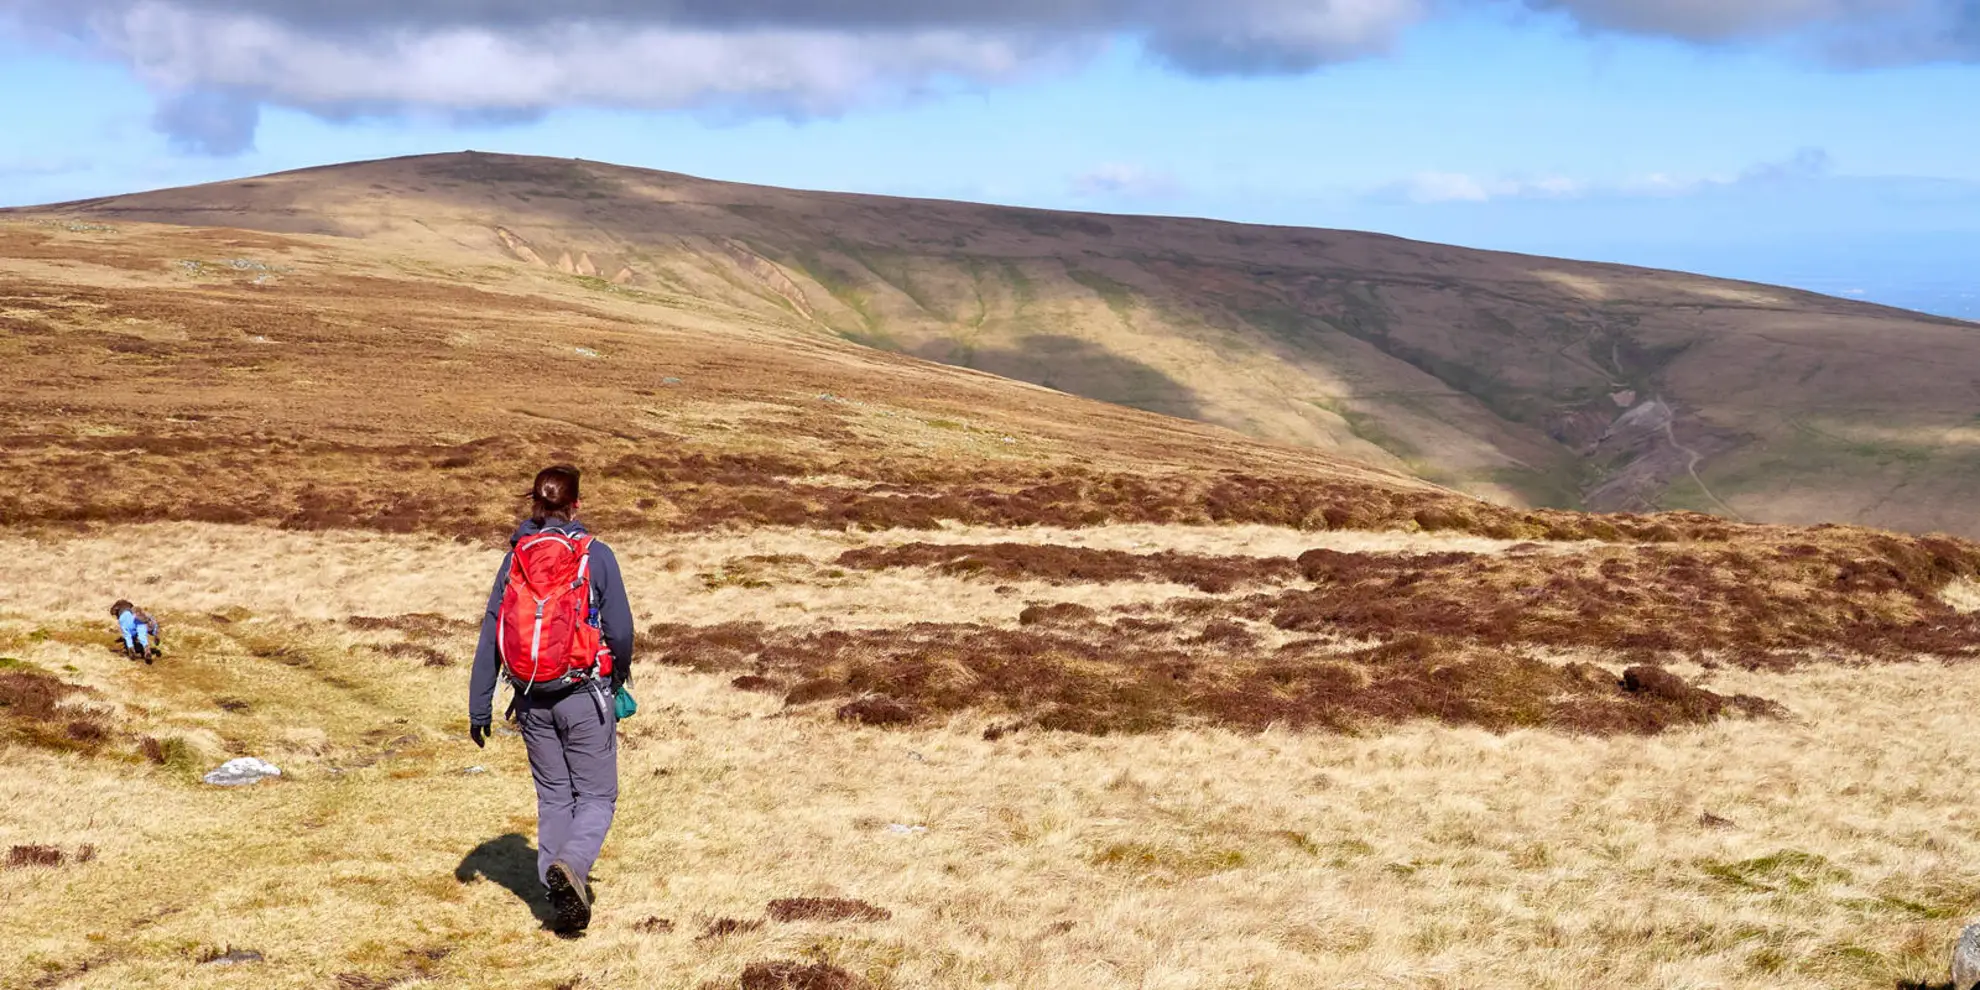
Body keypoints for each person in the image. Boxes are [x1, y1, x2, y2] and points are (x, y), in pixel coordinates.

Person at [467, 466, 634, 935]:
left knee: (555, 797)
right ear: (576, 504)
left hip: (529, 697)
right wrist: (617, 675)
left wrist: (480, 704)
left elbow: (492, 632)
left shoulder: (515, 558)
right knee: (597, 796)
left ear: (535, 504)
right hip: (583, 693)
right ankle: (572, 866)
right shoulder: (595, 555)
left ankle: (554, 896)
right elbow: (621, 630)